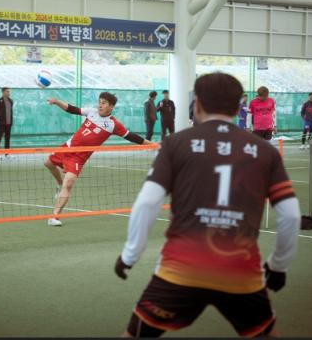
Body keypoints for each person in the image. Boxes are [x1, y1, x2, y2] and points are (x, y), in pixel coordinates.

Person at [115, 73, 301, 337]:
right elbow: (291, 215)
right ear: (239, 106)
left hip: (180, 271)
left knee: (135, 335)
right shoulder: (264, 150)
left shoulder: (175, 143)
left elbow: (147, 203)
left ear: (197, 104)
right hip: (241, 274)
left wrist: (129, 255)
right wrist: (278, 266)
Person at [44, 92, 153, 226]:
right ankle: (59, 183)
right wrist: (56, 101)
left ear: (111, 106)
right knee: (47, 163)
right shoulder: (91, 112)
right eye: (99, 102)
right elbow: (72, 109)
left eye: (104, 103)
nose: (100, 105)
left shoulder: (113, 124)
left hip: (78, 157)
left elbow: (131, 136)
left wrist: (151, 144)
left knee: (69, 183)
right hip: (67, 148)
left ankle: (54, 216)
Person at [0, 87, 14, 155]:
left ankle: (7, 153)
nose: (9, 93)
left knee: (7, 138)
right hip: (1, 123)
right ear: (3, 92)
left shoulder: (11, 101)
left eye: (9, 91)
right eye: (7, 91)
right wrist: (0, 118)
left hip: (9, 123)